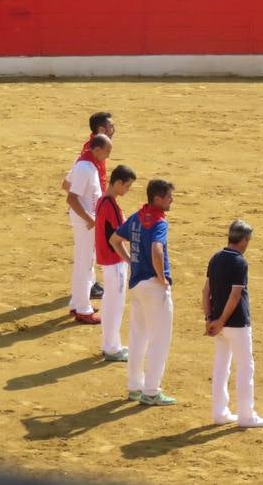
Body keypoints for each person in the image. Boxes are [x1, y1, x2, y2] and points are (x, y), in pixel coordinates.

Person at [111, 178, 177, 406]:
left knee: (138, 337)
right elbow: (157, 249)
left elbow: (115, 239)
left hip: (137, 285)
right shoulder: (159, 223)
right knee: (160, 340)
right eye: (169, 197)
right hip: (153, 287)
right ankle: (151, 391)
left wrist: (131, 261)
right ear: (157, 199)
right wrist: (161, 278)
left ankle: (134, 387)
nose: (171, 200)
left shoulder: (137, 217)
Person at [205, 219, 263, 427]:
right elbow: (234, 297)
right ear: (243, 240)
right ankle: (246, 415)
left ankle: (220, 412)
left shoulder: (216, 258)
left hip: (217, 323)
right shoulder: (239, 262)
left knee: (221, 366)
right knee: (245, 368)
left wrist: (210, 320)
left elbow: (206, 291)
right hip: (237, 323)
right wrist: (222, 320)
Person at [66, 134, 112, 325]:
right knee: (85, 264)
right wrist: (90, 218)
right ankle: (83, 308)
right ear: (97, 150)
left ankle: (77, 303)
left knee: (84, 263)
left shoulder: (86, 164)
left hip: (85, 222)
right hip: (85, 224)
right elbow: (71, 197)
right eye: (107, 151)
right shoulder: (85, 167)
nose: (108, 155)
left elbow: (66, 184)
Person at [96, 164, 137, 361]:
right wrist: (129, 259)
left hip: (107, 258)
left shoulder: (103, 200)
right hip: (114, 260)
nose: (127, 190)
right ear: (118, 183)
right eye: (127, 186)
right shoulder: (110, 204)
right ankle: (112, 347)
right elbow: (119, 236)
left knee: (109, 301)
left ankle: (109, 343)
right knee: (115, 303)